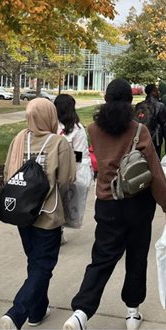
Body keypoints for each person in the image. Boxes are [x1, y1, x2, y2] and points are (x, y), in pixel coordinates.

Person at [63, 78, 166, 330]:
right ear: (130, 101)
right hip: (138, 203)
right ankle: (132, 313)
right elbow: (155, 172)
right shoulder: (139, 131)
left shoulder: (93, 129)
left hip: (107, 203)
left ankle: (81, 313)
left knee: (101, 258)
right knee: (136, 257)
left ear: (105, 99)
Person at [0, 98, 76, 330]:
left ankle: (37, 311)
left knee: (35, 262)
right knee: (43, 265)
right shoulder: (58, 143)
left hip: (22, 213)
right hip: (48, 215)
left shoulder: (19, 139)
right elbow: (67, 178)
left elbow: (7, 174)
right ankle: (17, 313)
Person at [54, 93, 92, 244]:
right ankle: (59, 232)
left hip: (50, 168)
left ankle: (55, 231)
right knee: (63, 202)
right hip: (67, 170)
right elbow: (81, 154)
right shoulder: (77, 128)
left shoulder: (50, 124)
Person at [138, 84, 166, 158]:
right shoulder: (160, 106)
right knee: (154, 160)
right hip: (155, 139)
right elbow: (165, 126)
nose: (158, 93)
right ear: (152, 92)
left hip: (141, 137)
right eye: (157, 91)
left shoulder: (139, 105)